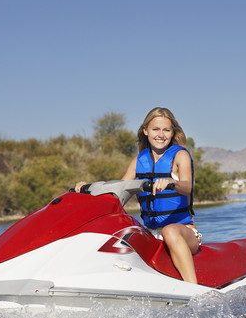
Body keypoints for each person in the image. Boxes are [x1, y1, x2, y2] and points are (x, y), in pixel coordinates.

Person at [78, 107, 201, 283]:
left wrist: (171, 182)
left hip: (184, 232)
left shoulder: (180, 155)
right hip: (150, 233)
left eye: (166, 130)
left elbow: (187, 186)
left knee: (169, 230)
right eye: (155, 129)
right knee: (120, 229)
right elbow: (118, 192)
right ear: (145, 131)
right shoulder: (139, 160)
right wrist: (88, 190)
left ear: (173, 132)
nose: (161, 134)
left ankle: (194, 290)